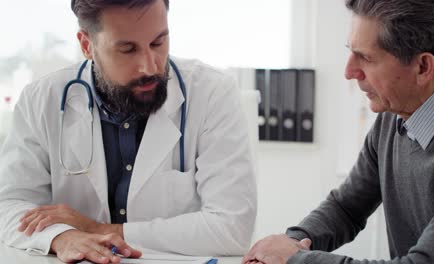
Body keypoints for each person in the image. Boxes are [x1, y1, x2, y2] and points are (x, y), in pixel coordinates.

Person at [0, 0, 257, 263]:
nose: (150, 66)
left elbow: (232, 228)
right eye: (127, 49)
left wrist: (97, 229)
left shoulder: (213, 93)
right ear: (87, 45)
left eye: (158, 43)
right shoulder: (41, 99)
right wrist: (61, 237)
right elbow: (9, 205)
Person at [243, 0, 434, 263]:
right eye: (351, 52)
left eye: (366, 58)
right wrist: (291, 242)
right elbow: (346, 208)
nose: (349, 72)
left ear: (422, 67)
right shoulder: (393, 116)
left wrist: (296, 259)